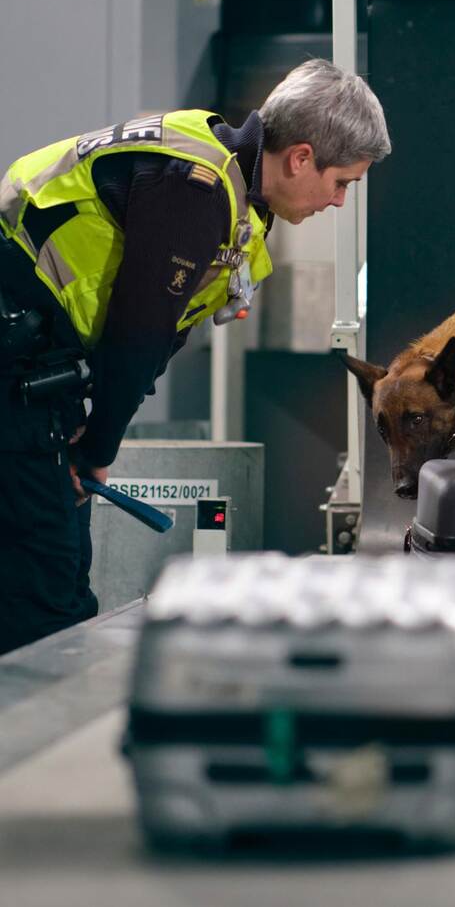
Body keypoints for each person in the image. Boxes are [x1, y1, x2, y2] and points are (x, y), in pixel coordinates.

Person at [0, 59, 390, 653]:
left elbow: (156, 334)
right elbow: (139, 336)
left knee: (55, 571)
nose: (339, 201)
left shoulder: (238, 197)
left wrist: (89, 435)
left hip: (33, 371)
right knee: (47, 597)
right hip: (15, 365)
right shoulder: (195, 188)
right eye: (343, 183)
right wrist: (98, 448)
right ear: (302, 157)